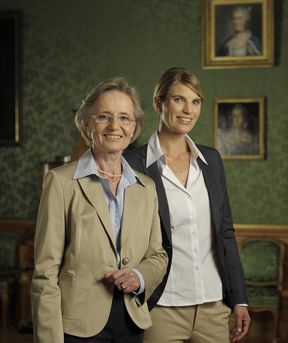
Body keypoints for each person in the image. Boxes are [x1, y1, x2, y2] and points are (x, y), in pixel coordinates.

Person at [31, 77, 168, 343]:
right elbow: (45, 272)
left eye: (124, 118)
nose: (115, 126)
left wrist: (139, 276)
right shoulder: (60, 183)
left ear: (134, 128)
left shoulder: (146, 187)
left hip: (131, 320)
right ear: (87, 123)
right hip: (77, 326)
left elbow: (158, 255)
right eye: (104, 116)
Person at [124, 67, 251, 343]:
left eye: (195, 102)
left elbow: (226, 233)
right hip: (160, 308)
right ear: (159, 103)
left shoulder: (211, 160)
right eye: (179, 99)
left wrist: (239, 299)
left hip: (213, 307)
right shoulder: (133, 164)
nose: (188, 110)